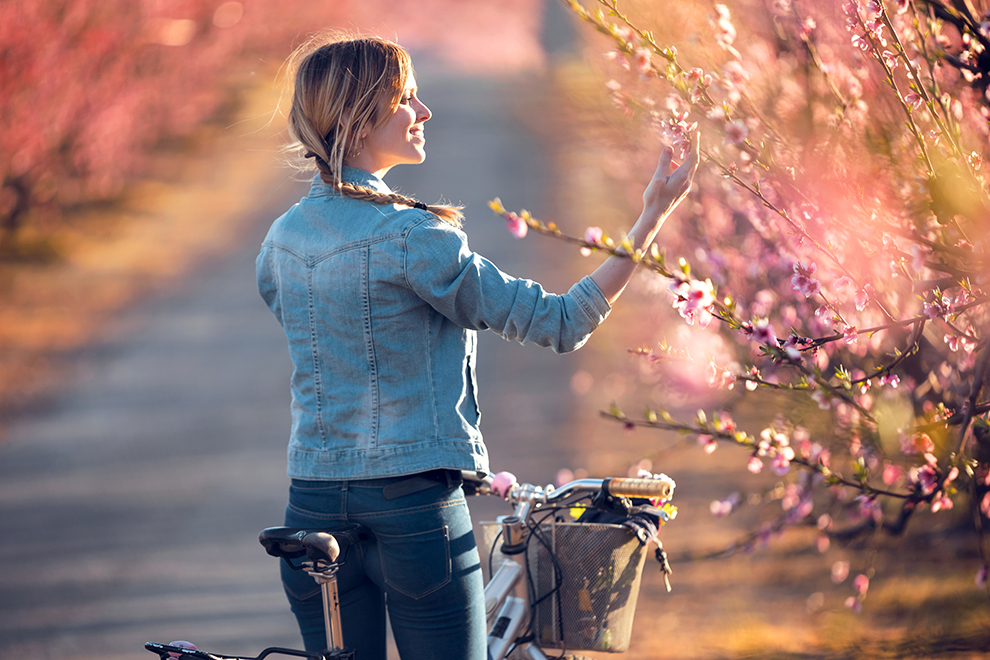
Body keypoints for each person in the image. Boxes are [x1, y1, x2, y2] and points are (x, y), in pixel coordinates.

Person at [256, 32, 699, 660]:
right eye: (405, 98)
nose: (424, 112)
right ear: (358, 121)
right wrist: (652, 215)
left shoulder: (279, 242)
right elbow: (562, 321)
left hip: (311, 501)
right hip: (412, 509)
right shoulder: (415, 237)